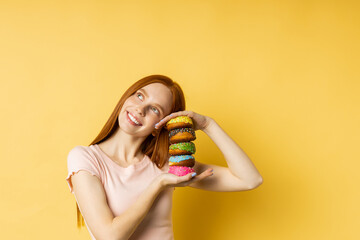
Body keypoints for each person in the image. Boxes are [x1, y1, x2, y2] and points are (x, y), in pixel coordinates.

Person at [66, 74, 263, 240]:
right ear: (126, 98)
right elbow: (109, 236)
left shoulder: (167, 165)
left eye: (154, 109)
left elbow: (250, 179)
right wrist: (158, 185)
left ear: (160, 126)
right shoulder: (85, 158)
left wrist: (208, 125)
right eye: (139, 95)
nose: (140, 109)